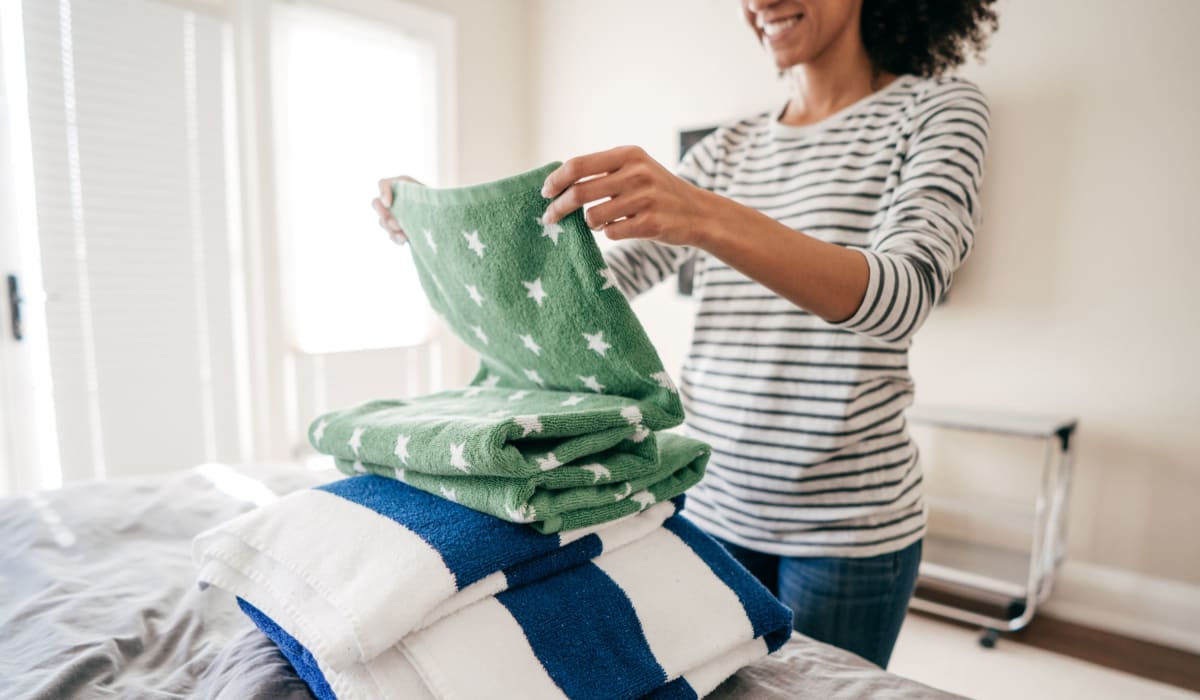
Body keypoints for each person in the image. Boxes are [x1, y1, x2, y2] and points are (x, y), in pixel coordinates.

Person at [374, 0, 997, 669]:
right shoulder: (727, 148)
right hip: (713, 500)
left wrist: (705, 216)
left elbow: (902, 293)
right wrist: (442, 234)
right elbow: (587, 296)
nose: (760, 3)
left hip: (848, 528)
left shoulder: (940, 111)